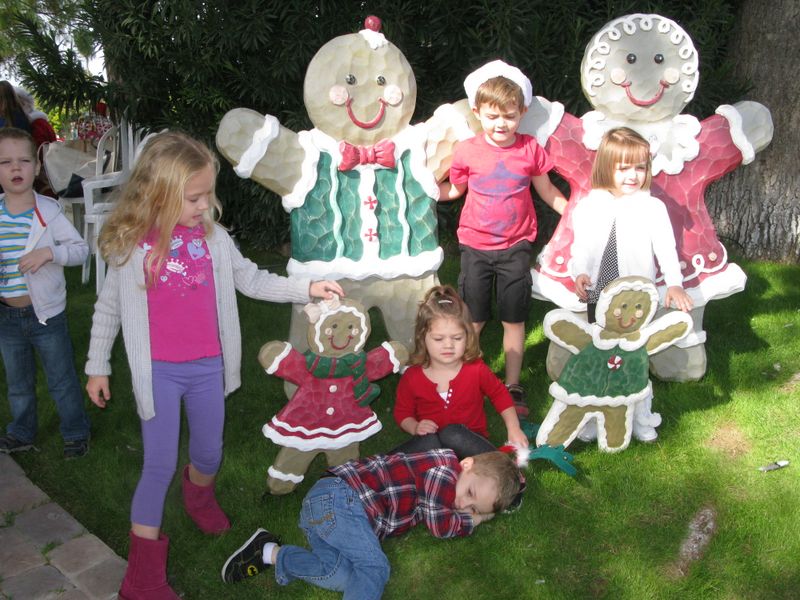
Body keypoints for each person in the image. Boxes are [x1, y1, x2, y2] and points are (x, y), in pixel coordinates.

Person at [84, 131, 344, 600]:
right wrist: (97, 364)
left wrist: (305, 289)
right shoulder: (132, 248)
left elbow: (251, 279)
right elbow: (108, 310)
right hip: (158, 374)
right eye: (195, 197)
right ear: (159, 195)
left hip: (207, 368)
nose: (205, 205)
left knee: (208, 454)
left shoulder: (214, 239)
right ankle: (141, 580)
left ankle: (198, 494)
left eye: (208, 195)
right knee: (157, 465)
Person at [438, 60, 567, 418]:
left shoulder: (529, 150)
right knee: (473, 319)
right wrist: (423, 189)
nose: (501, 124)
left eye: (509, 116)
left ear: (522, 113)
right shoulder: (467, 151)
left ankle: (512, 385)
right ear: (478, 113)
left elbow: (547, 190)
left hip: (515, 248)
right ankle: (465, 381)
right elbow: (454, 191)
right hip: (475, 248)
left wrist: (574, 212)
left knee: (514, 319)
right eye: (493, 116)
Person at [221, 449, 523, 599]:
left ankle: (269, 552)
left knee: (341, 576)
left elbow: (443, 515)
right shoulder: (445, 470)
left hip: (326, 517)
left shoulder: (452, 484)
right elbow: (441, 525)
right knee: (376, 568)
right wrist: (476, 520)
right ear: (467, 464)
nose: (462, 505)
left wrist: (475, 511)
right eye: (469, 494)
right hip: (341, 499)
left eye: (472, 507)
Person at [0, 128, 90, 458]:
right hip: (7, 317)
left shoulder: (49, 211)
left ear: (36, 168)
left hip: (46, 315)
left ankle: (76, 432)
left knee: (61, 379)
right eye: (5, 162)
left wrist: (49, 253)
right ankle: (21, 431)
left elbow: (81, 250)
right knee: (18, 383)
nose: (15, 168)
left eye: (23, 160)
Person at [571, 127, 693, 323]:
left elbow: (666, 249)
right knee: (601, 341)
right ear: (605, 168)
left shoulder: (652, 207)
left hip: (638, 294)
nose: (633, 176)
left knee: (636, 343)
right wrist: (581, 272)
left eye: (640, 168)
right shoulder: (589, 207)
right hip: (598, 291)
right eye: (624, 168)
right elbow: (581, 247)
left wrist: (675, 284)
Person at [391, 284, 528, 459]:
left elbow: (499, 394)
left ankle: (502, 470)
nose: (448, 345)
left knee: (452, 433)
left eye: (457, 338)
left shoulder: (475, 369)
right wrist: (415, 427)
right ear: (422, 338)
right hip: (434, 450)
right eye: (439, 339)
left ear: (468, 336)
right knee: (427, 442)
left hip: (470, 445)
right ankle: (368, 474)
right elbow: (403, 413)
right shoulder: (412, 377)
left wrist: (513, 428)